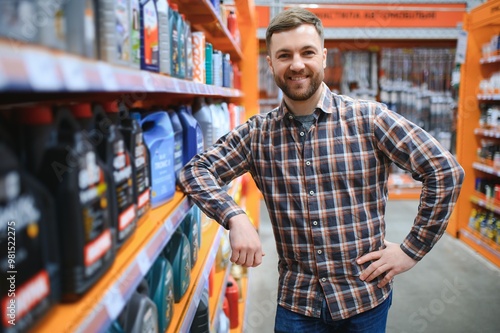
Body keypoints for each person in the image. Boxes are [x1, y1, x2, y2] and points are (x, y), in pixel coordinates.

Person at [178, 7, 464, 333]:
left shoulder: (369, 119)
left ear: (323, 57)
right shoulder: (257, 134)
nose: (296, 64)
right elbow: (195, 171)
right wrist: (234, 216)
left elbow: (444, 171)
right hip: (297, 305)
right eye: (284, 55)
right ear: (270, 63)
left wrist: (411, 250)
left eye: (307, 52)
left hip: (364, 298)